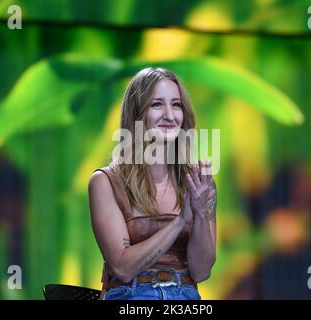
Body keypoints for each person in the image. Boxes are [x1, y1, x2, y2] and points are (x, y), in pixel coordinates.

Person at [88, 67, 217, 300]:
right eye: (157, 104)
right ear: (137, 114)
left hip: (185, 296)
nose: (170, 115)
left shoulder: (197, 182)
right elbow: (123, 268)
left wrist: (201, 215)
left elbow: (201, 271)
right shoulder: (105, 182)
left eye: (176, 105)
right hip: (131, 294)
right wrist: (180, 222)